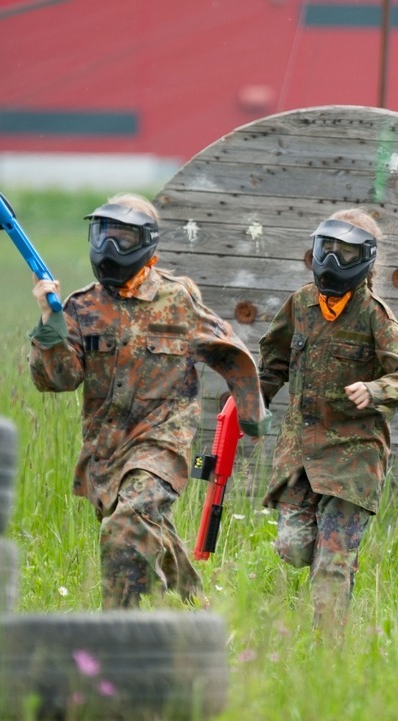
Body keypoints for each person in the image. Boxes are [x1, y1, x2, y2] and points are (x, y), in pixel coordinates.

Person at [28, 193, 270, 608]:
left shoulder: (178, 300)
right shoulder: (82, 307)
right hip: (106, 451)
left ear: (146, 243)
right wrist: (49, 324)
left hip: (163, 442)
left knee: (126, 525)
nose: (110, 247)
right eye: (103, 235)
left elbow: (231, 352)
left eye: (122, 238)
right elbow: (57, 380)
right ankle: (198, 613)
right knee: (148, 529)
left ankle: (119, 634)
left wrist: (253, 415)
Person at [257, 208, 398, 629]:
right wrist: (248, 403)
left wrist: (375, 390)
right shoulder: (300, 303)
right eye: (326, 250)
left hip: (354, 456)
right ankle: (332, 564)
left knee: (332, 564)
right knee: (293, 548)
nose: (332, 261)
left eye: (345, 253)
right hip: (301, 453)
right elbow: (272, 363)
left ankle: (326, 650)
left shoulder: (374, 314)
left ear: (366, 260)